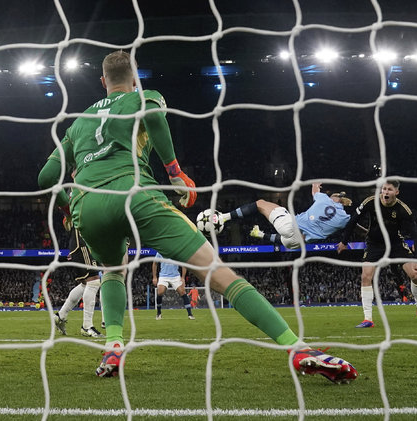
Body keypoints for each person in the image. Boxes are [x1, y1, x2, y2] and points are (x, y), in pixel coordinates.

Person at [37, 51, 358, 383]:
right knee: (218, 273)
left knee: (112, 272)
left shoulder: (77, 125)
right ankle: (296, 348)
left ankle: (114, 344)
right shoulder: (145, 96)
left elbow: (45, 179)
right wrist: (175, 174)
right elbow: (156, 116)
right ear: (135, 79)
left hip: (89, 205)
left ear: (102, 81)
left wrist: (68, 206)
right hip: (136, 195)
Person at [336, 181, 417, 327]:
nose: (385, 192)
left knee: (415, 275)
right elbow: (353, 220)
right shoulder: (370, 201)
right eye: (384, 189)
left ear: (396, 192)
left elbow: (416, 235)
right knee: (365, 276)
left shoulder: (403, 209)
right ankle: (368, 319)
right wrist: (344, 241)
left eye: (389, 190)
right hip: (374, 244)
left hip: (396, 245)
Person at [221, 183, 351, 249]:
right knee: (283, 239)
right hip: (299, 242)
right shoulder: (344, 218)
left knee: (260, 203)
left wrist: (315, 184)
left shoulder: (324, 199)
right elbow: (354, 225)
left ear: (334, 198)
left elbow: (315, 190)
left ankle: (223, 217)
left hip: (292, 226)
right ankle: (260, 234)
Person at [54, 216, 106, 338]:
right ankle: (87, 326)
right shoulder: (83, 200)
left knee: (85, 283)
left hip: (81, 243)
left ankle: (60, 316)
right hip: (83, 243)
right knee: (93, 281)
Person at [152, 252, 194, 320]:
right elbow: (155, 263)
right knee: (160, 292)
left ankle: (190, 314)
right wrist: (154, 277)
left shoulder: (176, 250)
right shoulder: (160, 251)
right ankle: (159, 313)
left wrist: (183, 278)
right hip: (163, 276)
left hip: (175, 276)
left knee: (183, 292)